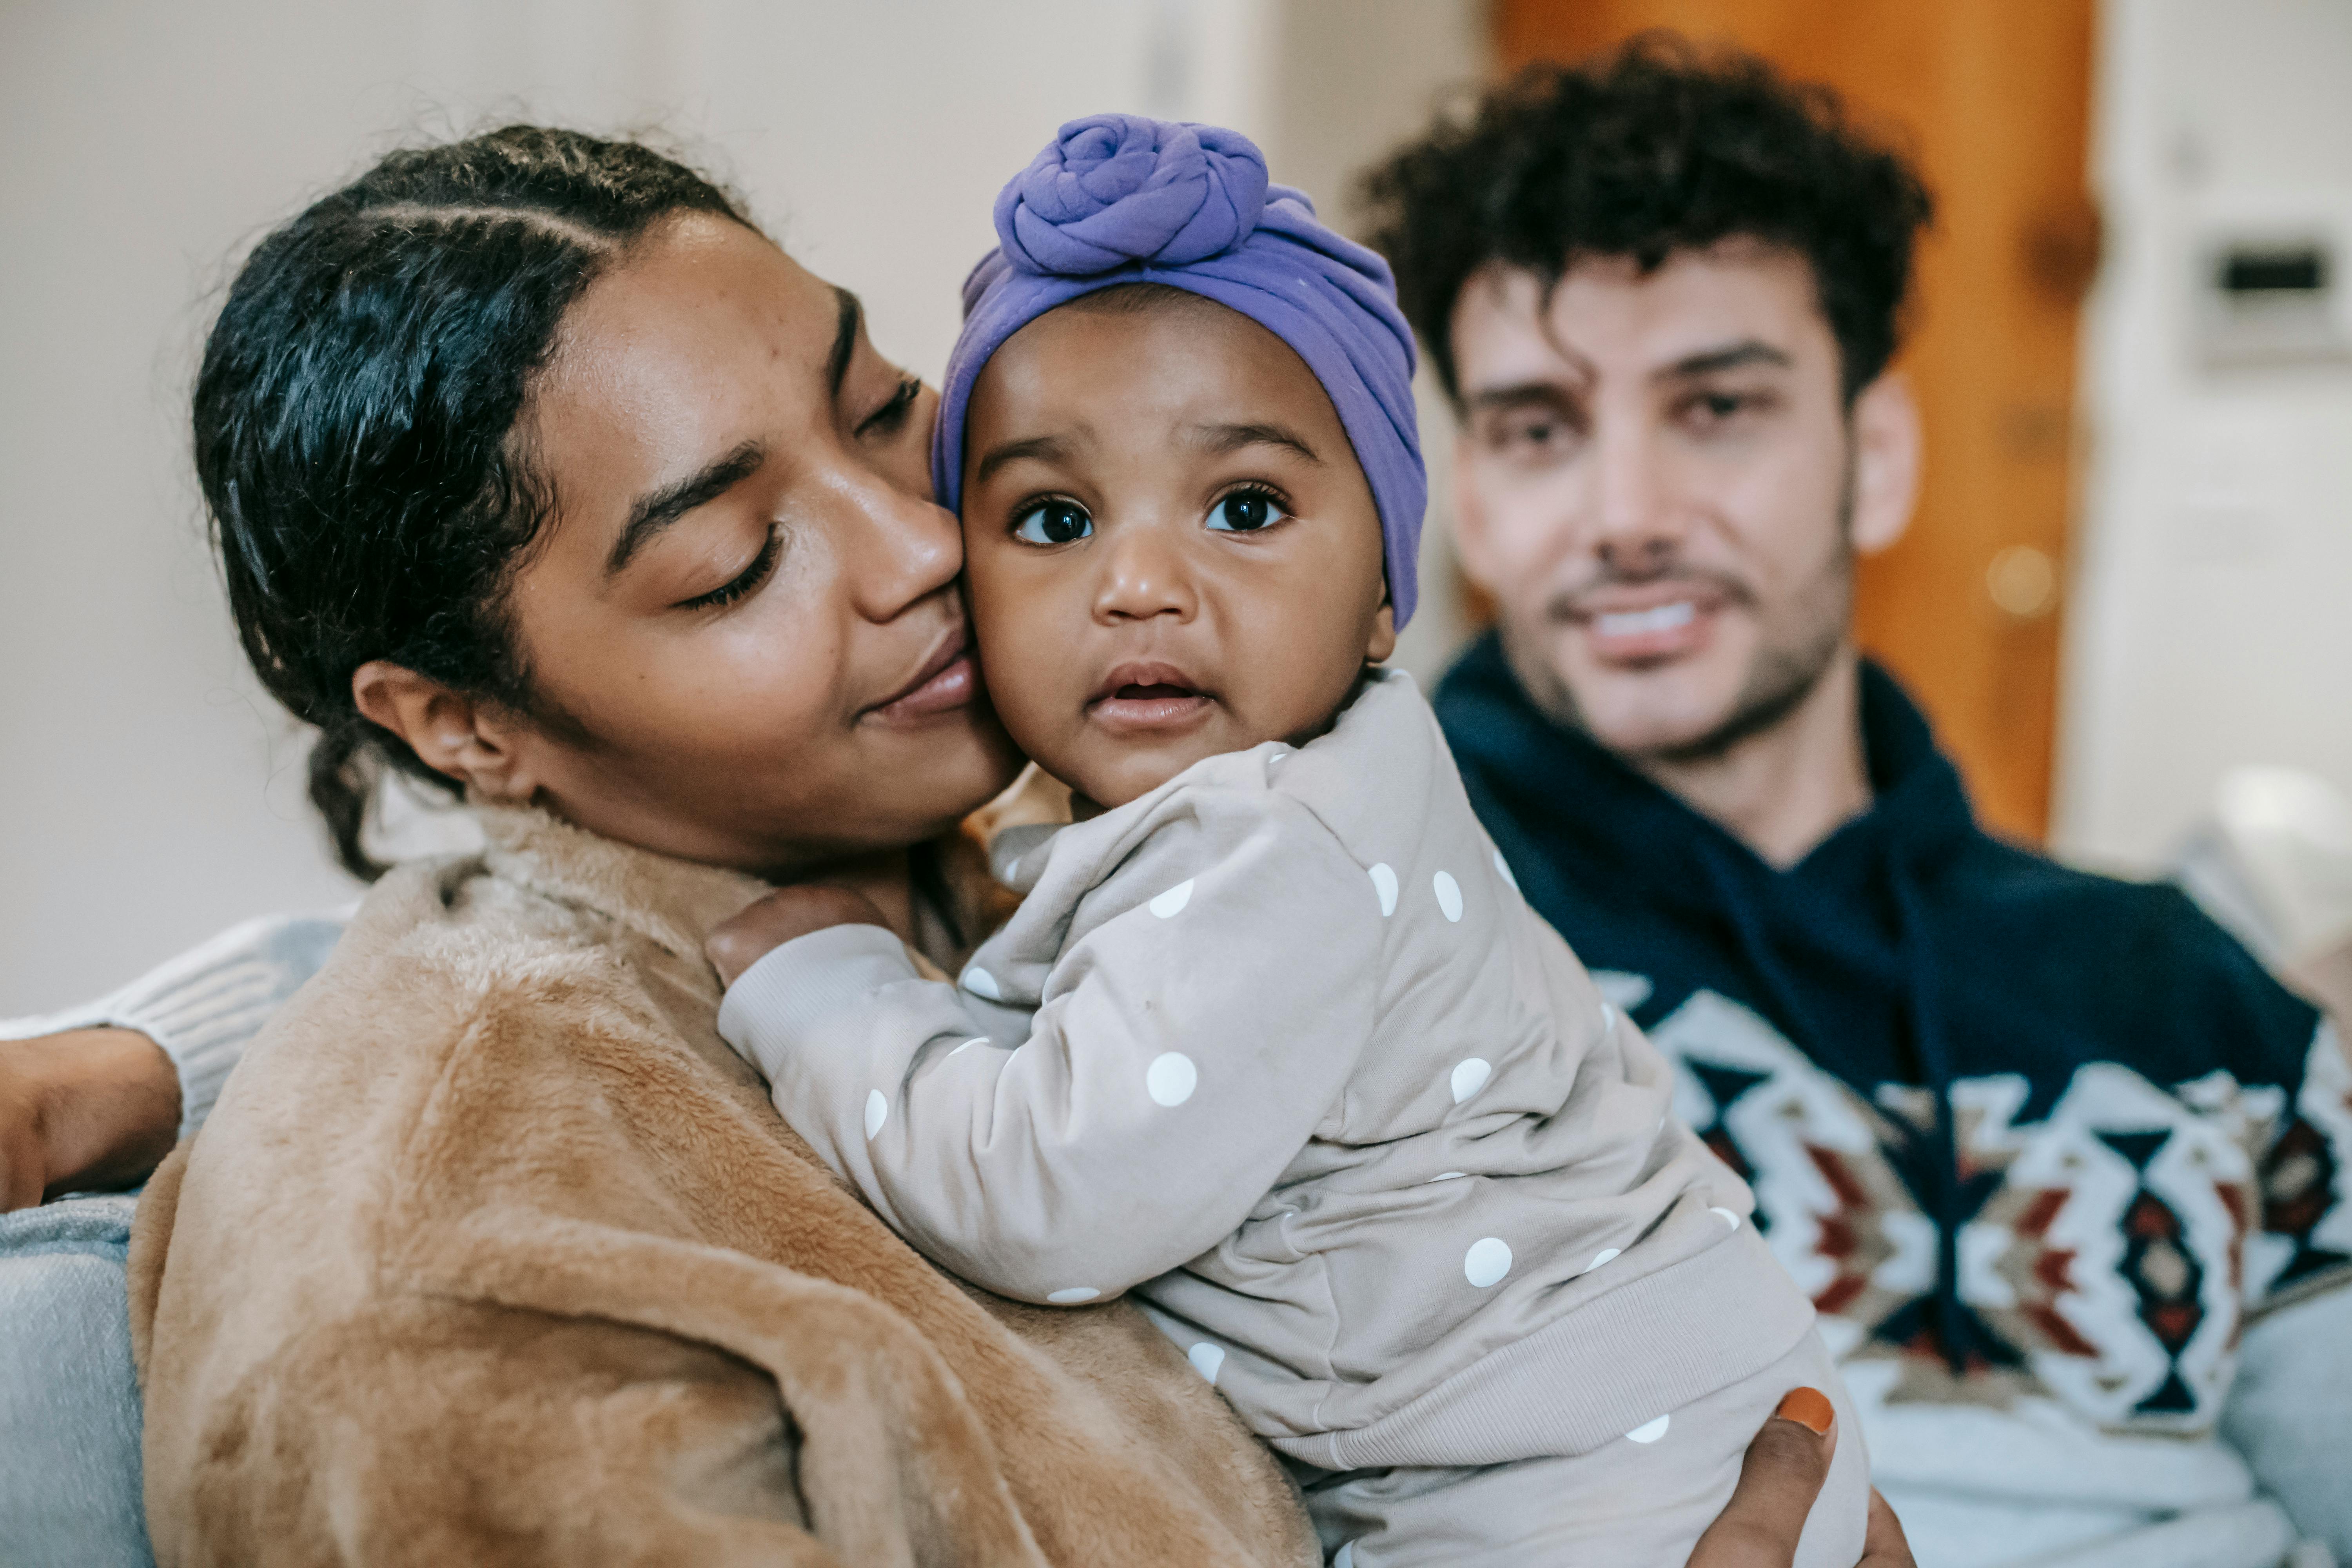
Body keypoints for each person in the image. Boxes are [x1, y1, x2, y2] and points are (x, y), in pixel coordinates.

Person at [0, 122, 1912, 1568]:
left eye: (888, 412)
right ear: (458, 722)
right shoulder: (444, 1286)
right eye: (738, 558)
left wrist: (172, 1048)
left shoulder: (1055, 817)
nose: (929, 552)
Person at [708, 115, 1867, 1568]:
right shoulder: (1331, 790)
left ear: (1387, 598)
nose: (1139, 583)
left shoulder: (1277, 848)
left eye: (1245, 508)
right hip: (1644, 1430)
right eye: (1054, 518)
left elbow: (1053, 1194)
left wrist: (834, 994)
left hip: (1589, 1489)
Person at [1358, 37, 2352, 1568]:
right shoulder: (1361, 929)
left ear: (1874, 459)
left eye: (1717, 408)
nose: (1625, 517)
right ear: (1472, 501)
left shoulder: (2188, 999)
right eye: (1541, 427)